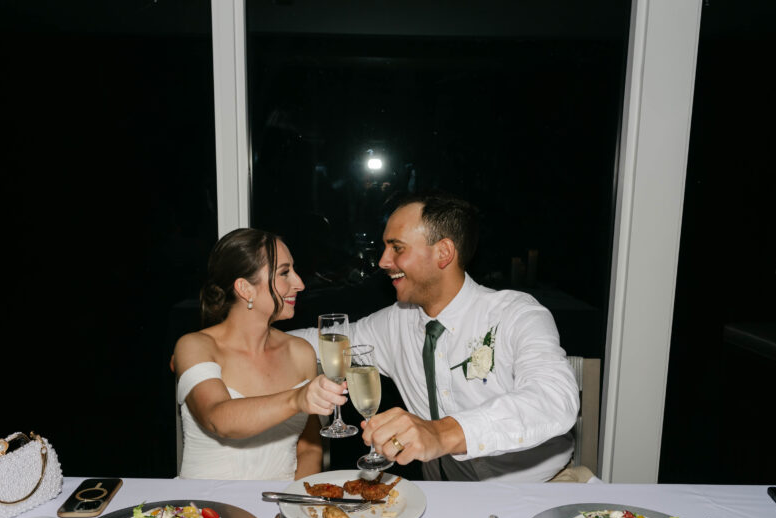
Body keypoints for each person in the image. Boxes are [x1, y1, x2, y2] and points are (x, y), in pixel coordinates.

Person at [292, 191, 580, 482]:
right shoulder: (396, 321)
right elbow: (322, 343)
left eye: (397, 248)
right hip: (444, 498)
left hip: (538, 489)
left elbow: (555, 398)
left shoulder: (516, 314)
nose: (382, 261)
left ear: (443, 252)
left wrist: (441, 433)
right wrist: (251, 334)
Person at [173, 228, 347, 480]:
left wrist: (295, 504)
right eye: (284, 273)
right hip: (205, 511)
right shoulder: (194, 346)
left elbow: (309, 447)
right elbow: (218, 418)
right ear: (245, 289)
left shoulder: (300, 352)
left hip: (278, 508)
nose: (299, 283)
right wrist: (297, 398)